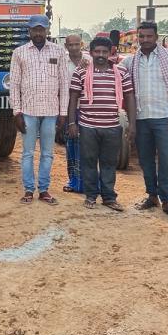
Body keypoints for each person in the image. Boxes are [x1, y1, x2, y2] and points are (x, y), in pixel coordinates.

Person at [121, 21, 168, 221]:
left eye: (149, 36)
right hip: (141, 118)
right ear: (137, 38)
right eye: (142, 37)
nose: (145, 40)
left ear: (156, 37)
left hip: (165, 117)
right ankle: (152, 196)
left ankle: (167, 201)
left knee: (166, 159)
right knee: (145, 160)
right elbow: (116, 77)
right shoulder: (129, 61)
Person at [68, 37, 136, 211]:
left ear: (110, 53)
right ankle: (91, 196)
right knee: (89, 162)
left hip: (112, 127)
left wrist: (132, 125)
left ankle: (109, 197)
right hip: (87, 126)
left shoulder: (121, 73)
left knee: (109, 163)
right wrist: (72, 123)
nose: (100, 55)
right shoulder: (81, 72)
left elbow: (129, 97)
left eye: (104, 52)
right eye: (97, 51)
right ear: (91, 53)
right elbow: (73, 97)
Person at [9, 14, 69, 205]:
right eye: (34, 29)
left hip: (51, 112)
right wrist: (16, 112)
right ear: (29, 31)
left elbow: (64, 84)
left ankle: (43, 190)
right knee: (27, 153)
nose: (38, 32)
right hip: (28, 111)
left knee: (47, 153)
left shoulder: (59, 52)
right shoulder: (19, 52)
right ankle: (28, 189)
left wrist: (63, 113)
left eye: (41, 29)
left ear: (47, 30)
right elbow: (15, 84)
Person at [63, 34, 89, 194]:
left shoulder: (90, 61)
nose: (73, 48)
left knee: (88, 147)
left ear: (81, 44)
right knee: (71, 146)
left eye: (76, 44)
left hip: (88, 109)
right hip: (69, 110)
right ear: (66, 46)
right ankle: (74, 182)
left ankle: (90, 182)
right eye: (70, 45)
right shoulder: (62, 62)